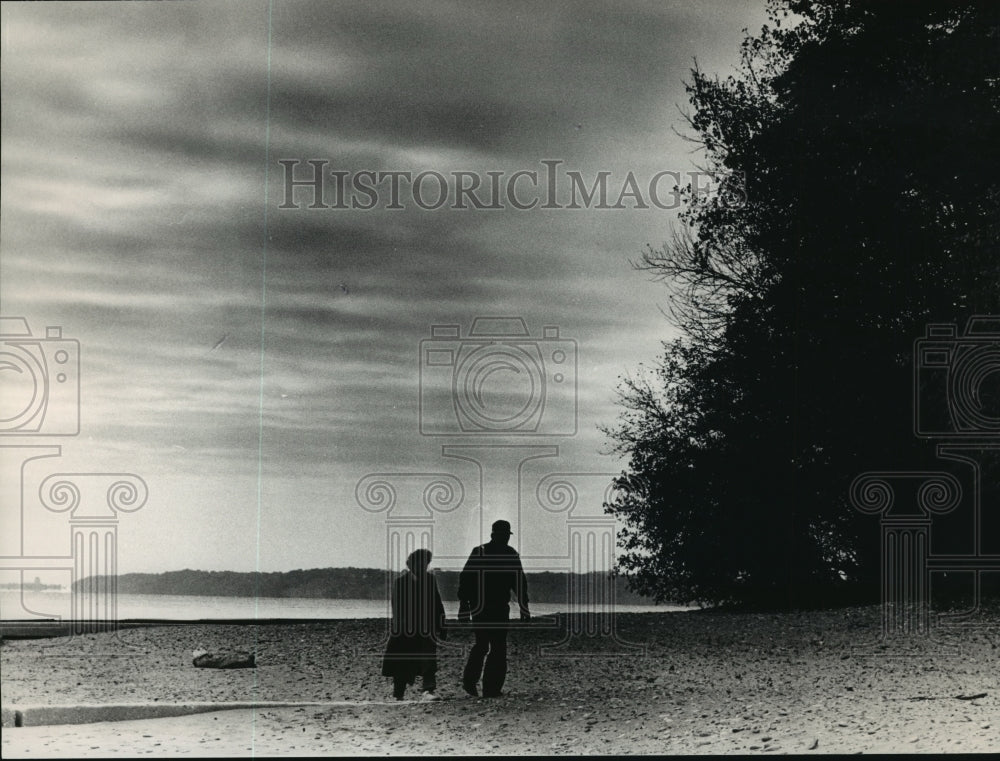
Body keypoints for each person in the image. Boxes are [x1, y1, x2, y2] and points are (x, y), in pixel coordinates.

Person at [457, 519, 530, 698]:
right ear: (494, 535)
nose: (505, 538)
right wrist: (463, 604)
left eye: (506, 536)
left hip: (491, 607)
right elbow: (466, 579)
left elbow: (519, 582)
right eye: (504, 535)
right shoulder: (496, 553)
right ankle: (478, 685)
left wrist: (524, 605)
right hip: (484, 607)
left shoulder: (501, 553)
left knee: (494, 646)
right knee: (488, 645)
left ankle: (486, 687)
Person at [381, 548, 446, 701]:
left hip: (427, 628)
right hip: (405, 629)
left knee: (429, 660)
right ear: (411, 564)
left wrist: (442, 625)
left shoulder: (431, 580)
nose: (423, 566)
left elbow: (437, 603)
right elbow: (396, 607)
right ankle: (398, 694)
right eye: (420, 563)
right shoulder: (401, 582)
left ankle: (428, 690)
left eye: (426, 563)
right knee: (402, 661)